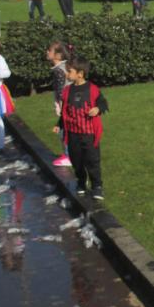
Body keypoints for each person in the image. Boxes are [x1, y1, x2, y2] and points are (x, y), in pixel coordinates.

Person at [55, 56, 109, 200]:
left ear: (80, 73)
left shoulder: (92, 89)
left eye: (69, 71)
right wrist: (58, 125)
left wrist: (97, 109)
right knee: (76, 160)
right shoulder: (67, 91)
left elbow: (103, 103)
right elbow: (65, 112)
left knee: (92, 160)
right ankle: (81, 181)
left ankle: (97, 186)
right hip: (73, 133)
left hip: (89, 133)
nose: (67, 74)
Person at [47, 40, 73, 167]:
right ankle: (69, 154)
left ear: (57, 55)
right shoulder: (65, 66)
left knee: (64, 130)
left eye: (49, 50)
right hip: (70, 101)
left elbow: (61, 90)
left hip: (66, 103)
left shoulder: (59, 70)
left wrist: (61, 105)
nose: (47, 52)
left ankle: (69, 156)